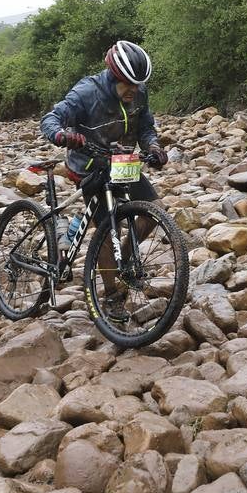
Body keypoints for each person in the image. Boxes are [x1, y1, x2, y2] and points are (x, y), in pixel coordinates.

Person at [40, 40, 168, 317]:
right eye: (128, 85)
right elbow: (51, 118)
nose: (133, 91)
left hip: (123, 163)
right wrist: (62, 135)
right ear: (113, 77)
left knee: (156, 212)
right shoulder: (87, 92)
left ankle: (119, 260)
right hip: (90, 166)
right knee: (108, 229)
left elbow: (146, 128)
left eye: (138, 85)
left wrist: (154, 147)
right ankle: (111, 296)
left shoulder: (138, 92)